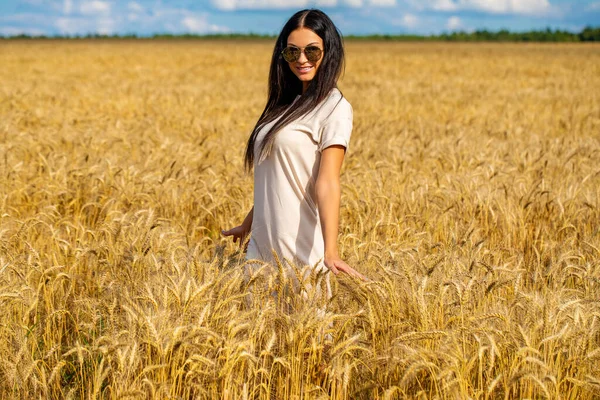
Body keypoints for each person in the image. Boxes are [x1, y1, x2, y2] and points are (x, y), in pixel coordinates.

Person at [221, 8, 365, 292]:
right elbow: (278, 177)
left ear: (329, 51)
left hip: (300, 246)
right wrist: (246, 225)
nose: (301, 60)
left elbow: (327, 181)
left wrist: (331, 251)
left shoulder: (334, 108)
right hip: (262, 247)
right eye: (292, 52)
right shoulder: (284, 106)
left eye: (312, 51)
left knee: (307, 331)